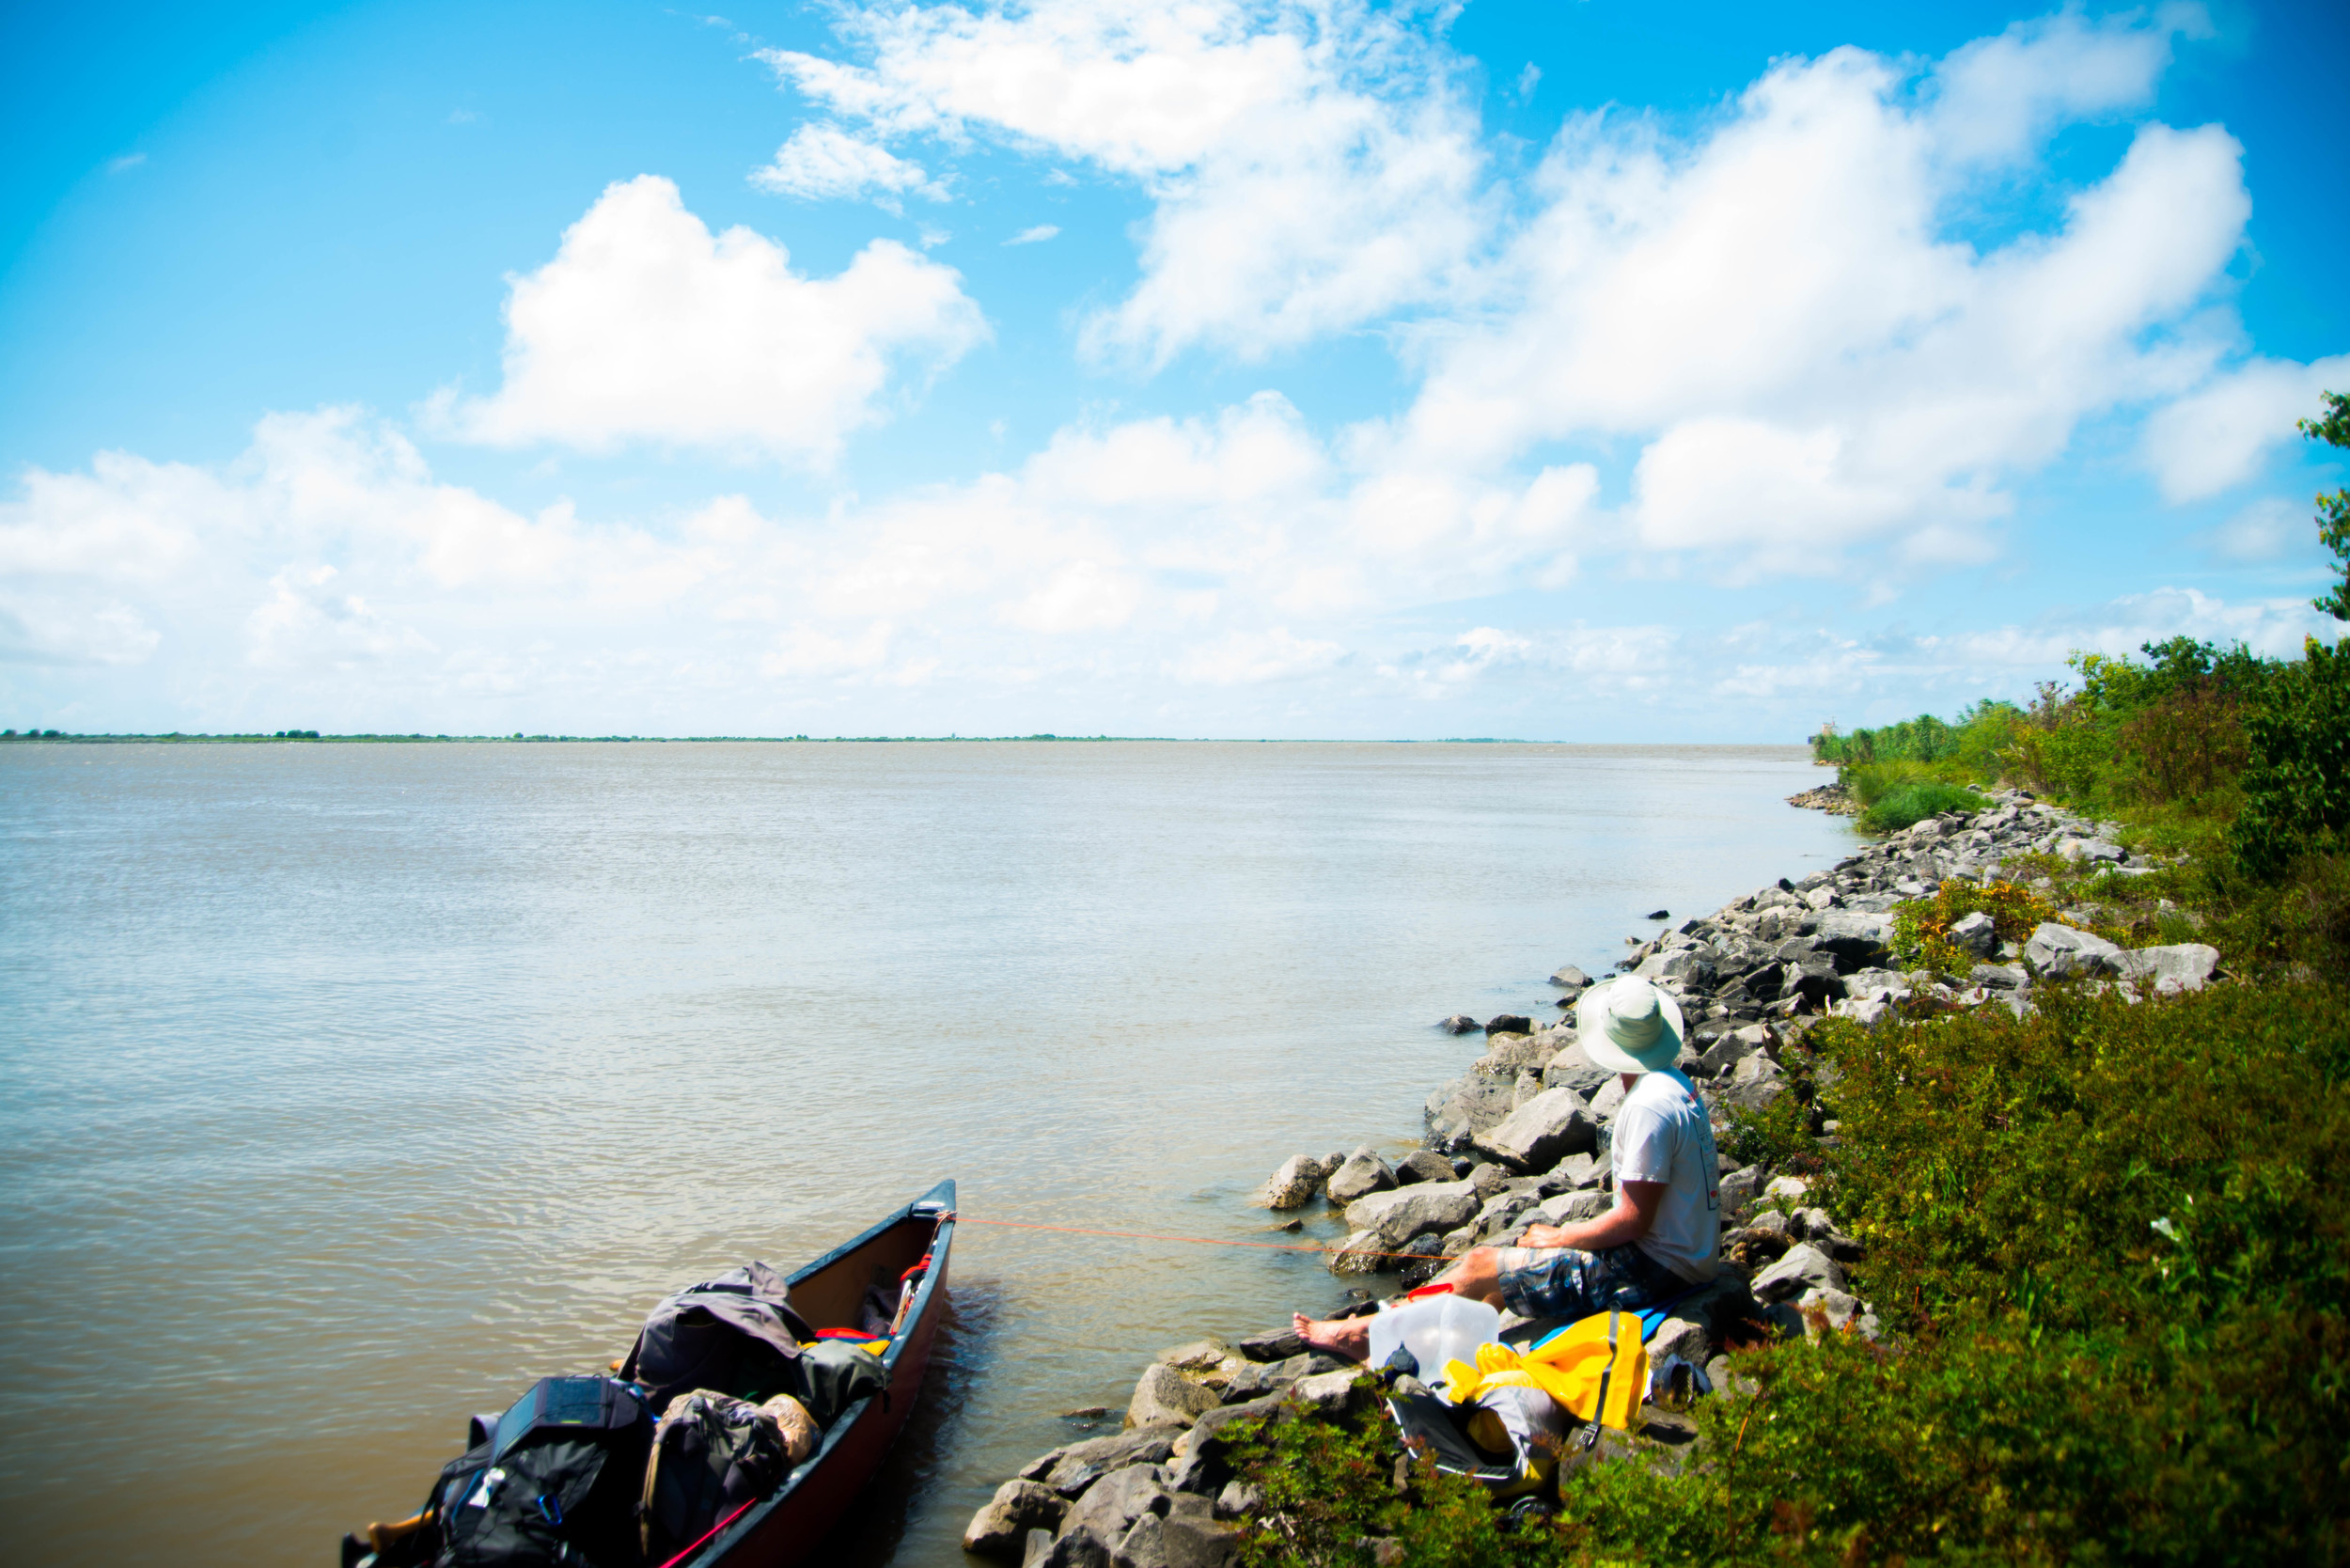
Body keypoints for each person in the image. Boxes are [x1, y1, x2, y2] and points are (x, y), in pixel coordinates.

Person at [1296, 975, 1720, 1361]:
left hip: (1655, 1271)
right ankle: (1438, 1339)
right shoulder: (1676, 1086)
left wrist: (1561, 1236)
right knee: (1498, 1277)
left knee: (1480, 1263)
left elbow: (1634, 1221)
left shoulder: (1646, 1107)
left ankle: (1362, 1333)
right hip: (1687, 1259)